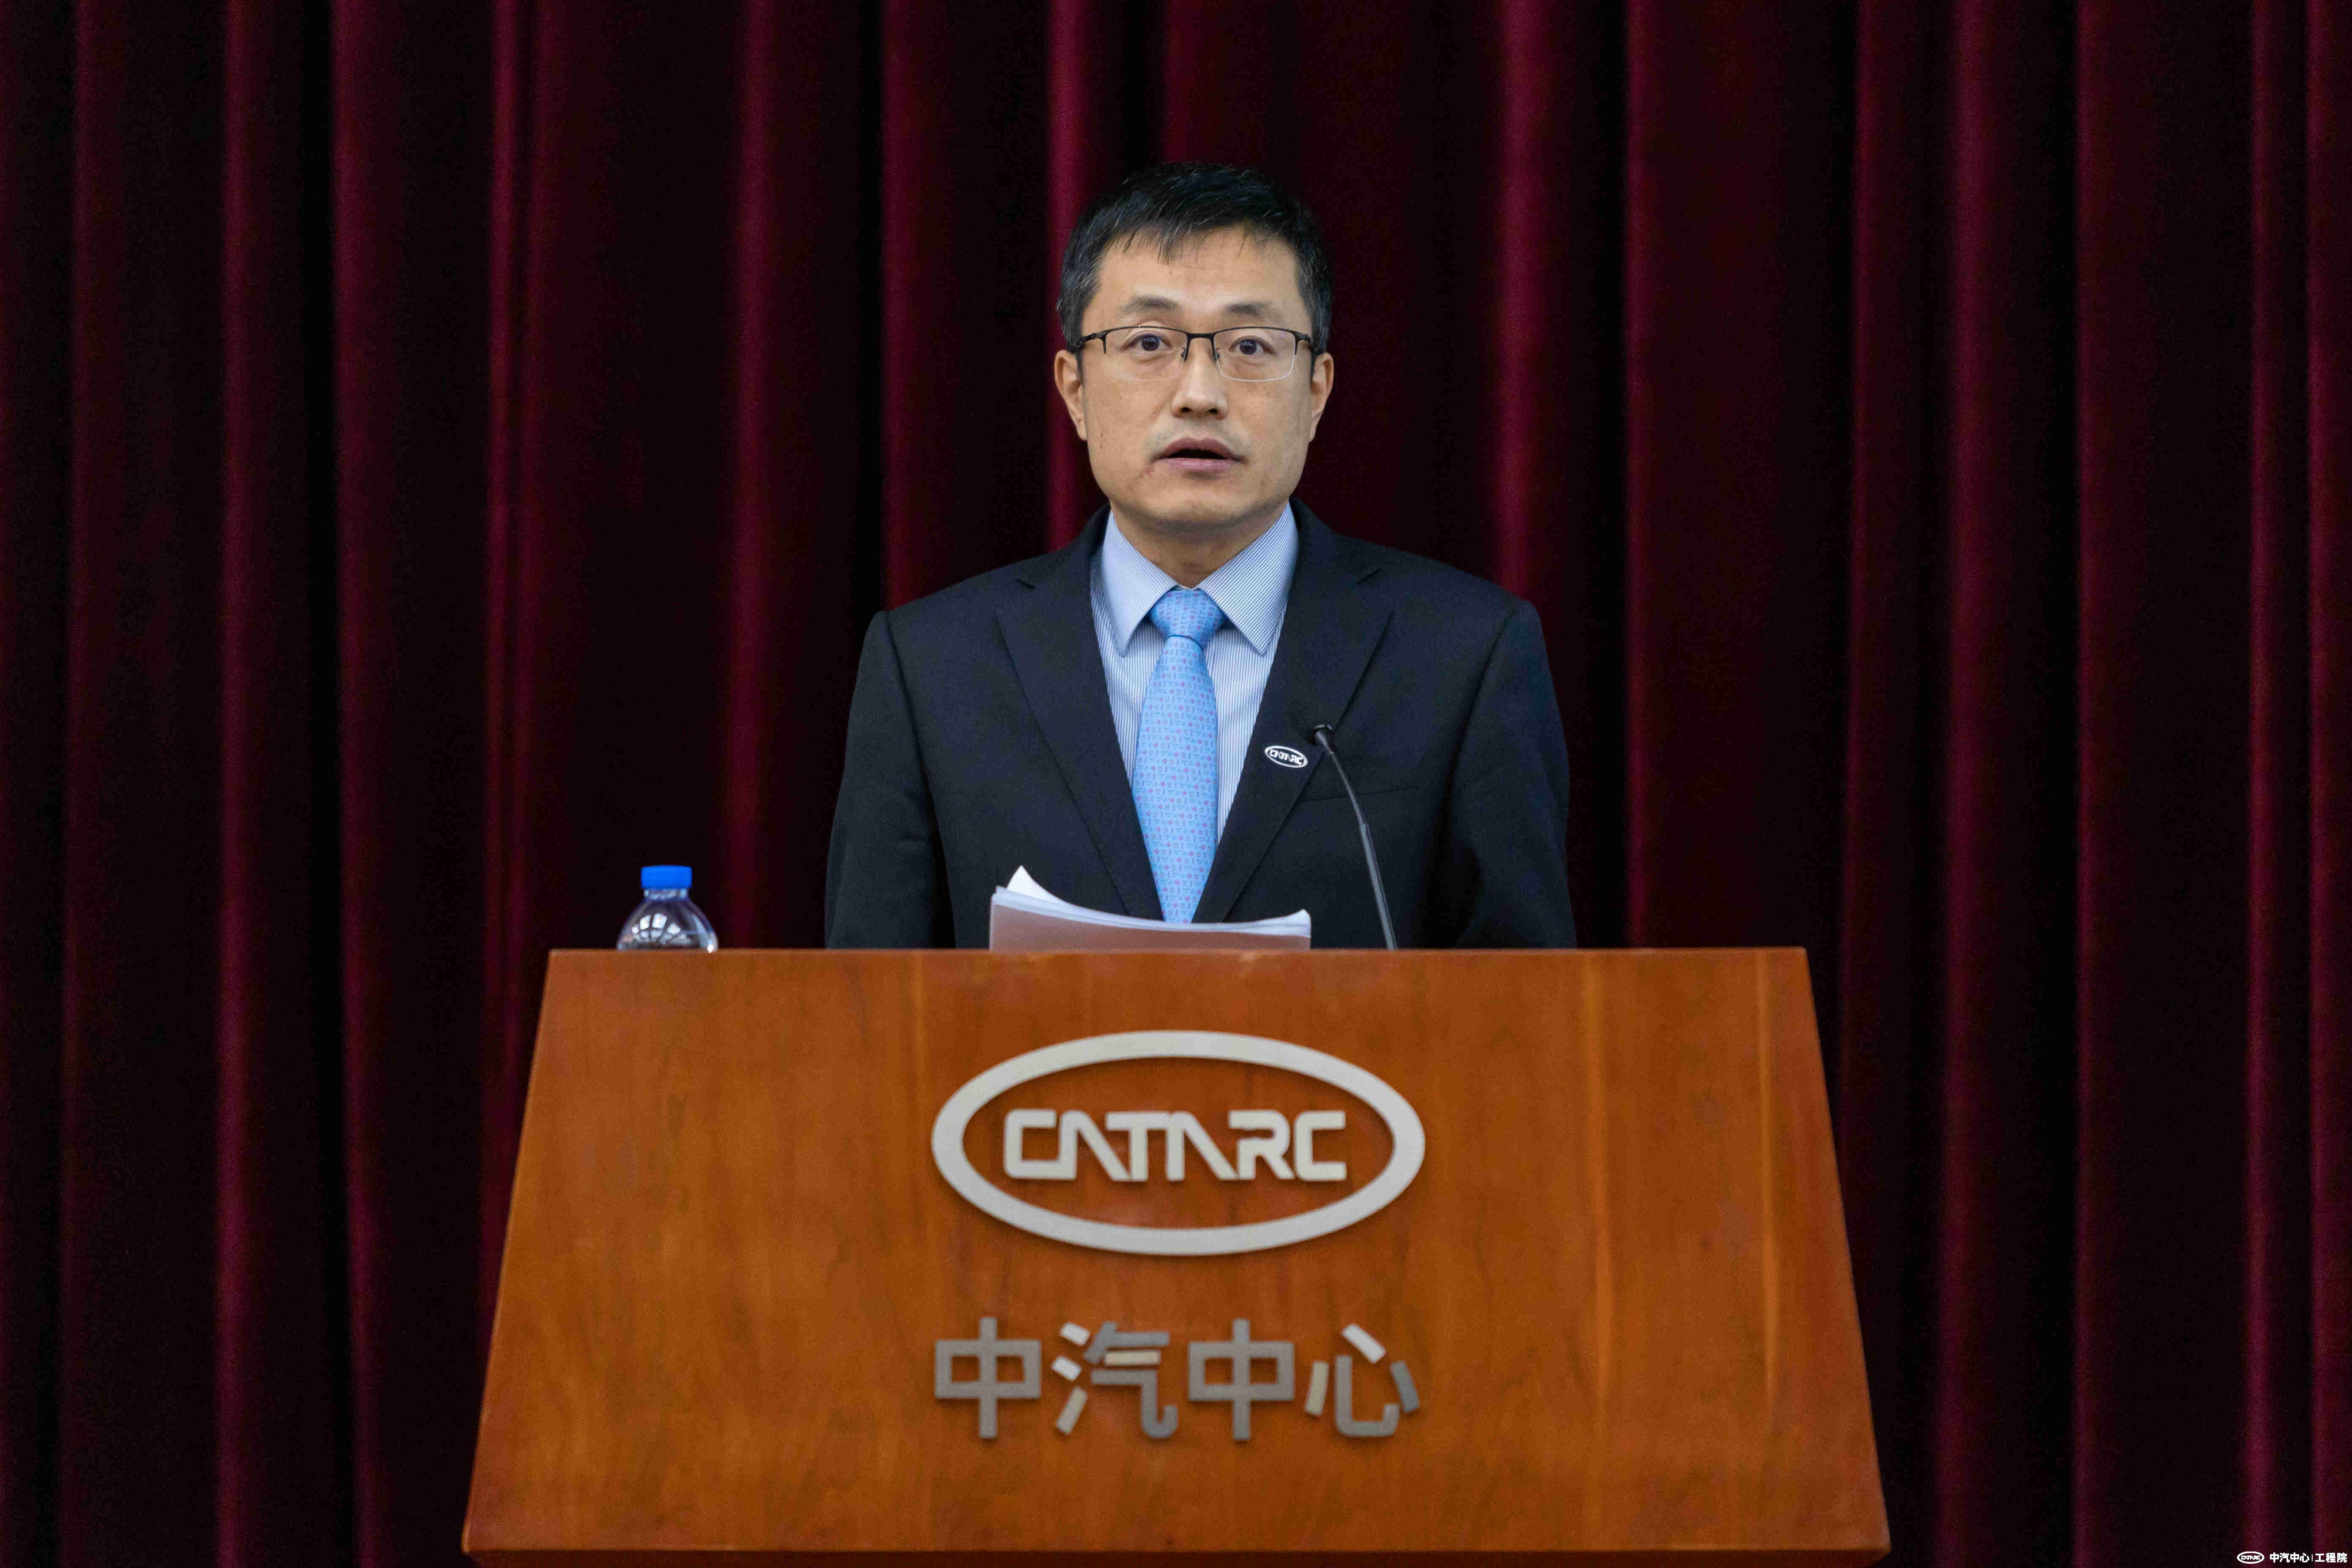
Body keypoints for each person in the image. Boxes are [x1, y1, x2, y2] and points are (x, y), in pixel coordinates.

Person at [825, 163, 1576, 948]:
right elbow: (867, 999)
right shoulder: (931, 667)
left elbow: (1526, 1000)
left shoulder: (1463, 657)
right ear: (1075, 390)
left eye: (1250, 345)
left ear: (1316, 392)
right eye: (1148, 342)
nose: (1199, 392)